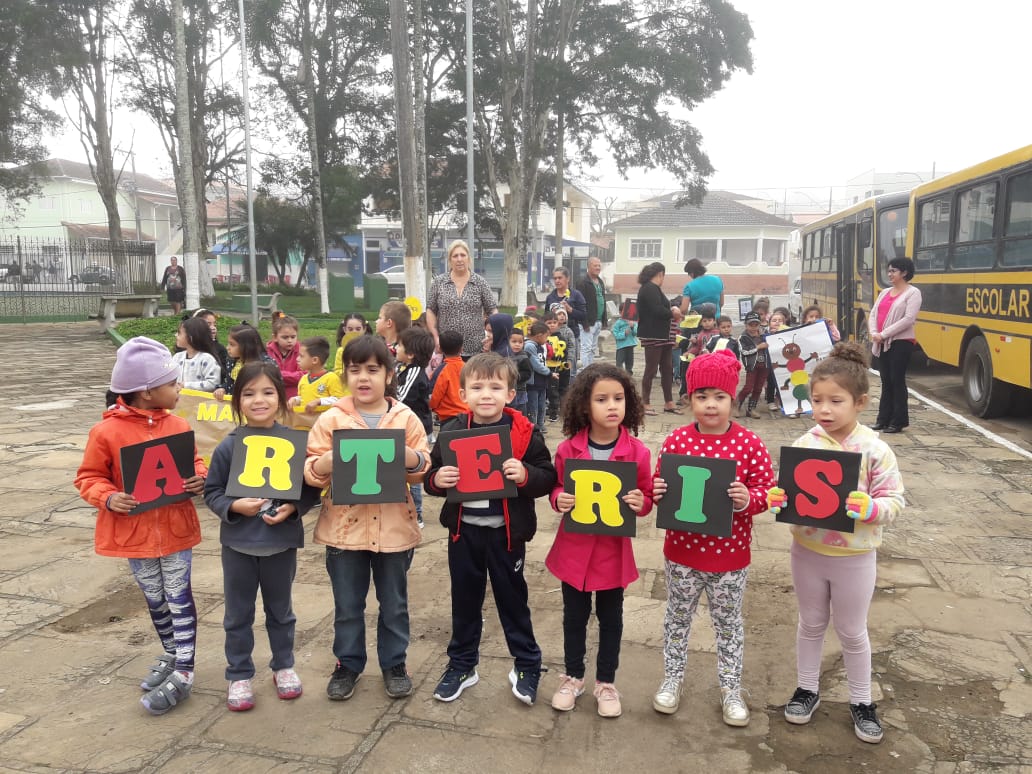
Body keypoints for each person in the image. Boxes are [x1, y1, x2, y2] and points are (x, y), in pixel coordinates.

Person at [766, 342, 905, 744]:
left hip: (855, 557)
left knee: (852, 630)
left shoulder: (876, 450)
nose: (824, 410)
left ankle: (862, 700)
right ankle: (806, 689)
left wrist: (871, 508)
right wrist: (779, 498)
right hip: (807, 552)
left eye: (836, 401)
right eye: (817, 400)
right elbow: (790, 492)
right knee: (810, 623)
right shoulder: (805, 444)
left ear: (860, 403)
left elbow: (894, 501)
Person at [74, 337, 207, 715]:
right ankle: (172, 652)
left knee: (179, 597)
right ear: (147, 392)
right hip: (133, 535)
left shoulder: (178, 425)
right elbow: (88, 477)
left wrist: (199, 478)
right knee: (156, 599)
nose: (179, 388)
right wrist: (108, 497)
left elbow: (195, 463)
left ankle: (185, 671)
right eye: (172, 383)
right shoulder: (105, 433)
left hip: (176, 530)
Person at [650, 350, 775, 725]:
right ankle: (672, 679)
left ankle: (731, 688)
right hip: (682, 554)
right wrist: (658, 491)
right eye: (701, 396)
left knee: (728, 624)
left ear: (732, 399)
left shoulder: (749, 444)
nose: (710, 404)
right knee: (677, 618)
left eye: (719, 396)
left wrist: (747, 499)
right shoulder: (676, 441)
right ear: (690, 400)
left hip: (729, 558)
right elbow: (660, 482)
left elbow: (767, 490)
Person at [424, 353, 557, 705]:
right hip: (463, 533)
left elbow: (547, 476)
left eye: (495, 387)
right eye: (477, 387)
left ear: (510, 394)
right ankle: (462, 664)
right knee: (464, 601)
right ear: (463, 394)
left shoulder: (525, 433)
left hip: (505, 535)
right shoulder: (452, 431)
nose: (486, 394)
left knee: (513, 601)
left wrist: (525, 475)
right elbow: (430, 477)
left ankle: (527, 663)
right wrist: (437, 479)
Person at [304, 335, 430, 702]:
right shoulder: (331, 419)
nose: (363, 377)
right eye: (354, 369)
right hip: (344, 532)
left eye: (373, 370)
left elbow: (423, 467)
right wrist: (326, 462)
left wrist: (408, 456)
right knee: (347, 605)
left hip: (395, 530)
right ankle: (347, 663)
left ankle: (395, 663)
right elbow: (310, 472)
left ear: (389, 375)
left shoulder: (405, 417)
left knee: (395, 604)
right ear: (344, 375)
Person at [203, 363, 322, 712]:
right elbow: (212, 492)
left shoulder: (294, 442)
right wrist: (233, 506)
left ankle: (283, 666)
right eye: (249, 393)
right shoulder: (228, 446)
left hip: (280, 544)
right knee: (237, 614)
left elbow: (309, 490)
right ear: (237, 401)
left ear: (281, 398)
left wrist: (293, 508)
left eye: (268, 392)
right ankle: (239, 673)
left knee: (281, 612)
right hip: (238, 546)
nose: (259, 400)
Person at [547, 364, 652, 717]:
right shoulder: (568, 449)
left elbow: (646, 496)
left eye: (618, 399)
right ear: (584, 405)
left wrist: (640, 502)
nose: (612, 406)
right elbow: (557, 486)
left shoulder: (638, 452)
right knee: (574, 618)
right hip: (574, 552)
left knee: (611, 619)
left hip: (612, 553)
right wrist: (559, 499)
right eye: (602, 399)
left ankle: (606, 682)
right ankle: (573, 677)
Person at [869, 257, 921, 433]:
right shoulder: (885, 292)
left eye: (893, 271)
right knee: (885, 380)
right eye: (889, 271)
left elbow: (908, 319)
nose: (890, 274)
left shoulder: (913, 293)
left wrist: (883, 334)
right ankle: (883, 419)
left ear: (904, 273)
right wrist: (874, 332)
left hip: (901, 343)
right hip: (882, 342)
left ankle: (898, 421)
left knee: (896, 380)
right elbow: (873, 314)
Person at [427, 240, 498, 358]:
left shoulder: (480, 283)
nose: (459, 259)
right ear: (450, 260)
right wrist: (436, 337)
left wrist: (492, 336)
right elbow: (430, 310)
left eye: (463, 255)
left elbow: (492, 310)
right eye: (455, 256)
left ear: (469, 258)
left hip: (476, 350)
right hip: (447, 349)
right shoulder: (439, 282)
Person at [395, 326, 436, 528]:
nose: (396, 348)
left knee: (413, 472)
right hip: (409, 428)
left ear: (410, 354)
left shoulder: (414, 373)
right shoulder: (404, 369)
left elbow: (400, 399)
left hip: (415, 430)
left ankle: (417, 513)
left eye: (399, 345)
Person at [636, 262, 681, 416]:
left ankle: (669, 402)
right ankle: (645, 402)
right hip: (653, 334)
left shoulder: (654, 289)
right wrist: (672, 313)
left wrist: (672, 308)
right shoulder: (649, 288)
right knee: (651, 369)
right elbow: (657, 310)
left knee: (667, 368)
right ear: (660, 274)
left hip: (664, 335)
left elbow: (661, 306)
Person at [291, 336, 345, 428]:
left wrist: (319, 401)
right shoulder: (303, 379)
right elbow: (303, 397)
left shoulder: (331, 378)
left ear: (315, 360)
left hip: (323, 427)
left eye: (301, 356)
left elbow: (339, 400)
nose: (297, 359)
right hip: (303, 427)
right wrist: (296, 399)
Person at [545, 266, 587, 376]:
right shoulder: (550, 297)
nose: (557, 281)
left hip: (571, 335)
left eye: (560, 278)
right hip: (553, 338)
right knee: (554, 367)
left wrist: (570, 309)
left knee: (570, 369)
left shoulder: (576, 295)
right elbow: (546, 317)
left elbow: (583, 315)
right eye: (555, 278)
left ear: (567, 279)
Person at [215, 324, 276, 399]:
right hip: (234, 403)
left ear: (246, 346)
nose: (227, 347)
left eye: (232, 345)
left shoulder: (265, 365)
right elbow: (229, 383)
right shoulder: (232, 361)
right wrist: (222, 388)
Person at [171, 317, 222, 392]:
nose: (176, 335)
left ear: (190, 337)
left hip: (199, 399)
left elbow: (213, 383)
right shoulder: (177, 357)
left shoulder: (207, 359)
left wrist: (185, 385)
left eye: (179, 333)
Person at [429, 330, 469, 423]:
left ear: (440, 349)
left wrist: (432, 407)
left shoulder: (440, 371)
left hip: (448, 418)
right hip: (468, 415)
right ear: (461, 349)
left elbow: (435, 397)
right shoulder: (469, 368)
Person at [576, 256, 608, 368]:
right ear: (589, 267)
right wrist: (584, 323)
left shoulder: (600, 282)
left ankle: (590, 370)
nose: (598, 268)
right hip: (587, 323)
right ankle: (584, 371)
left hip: (598, 321)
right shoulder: (582, 282)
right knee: (586, 348)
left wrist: (604, 320)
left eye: (599, 265)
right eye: (595, 265)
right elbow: (579, 304)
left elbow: (603, 300)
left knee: (593, 348)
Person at [737, 312, 770, 419]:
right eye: (750, 325)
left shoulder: (765, 335)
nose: (753, 327)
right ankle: (736, 406)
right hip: (752, 367)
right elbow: (744, 351)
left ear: (759, 325)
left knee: (758, 388)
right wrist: (758, 347)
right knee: (748, 387)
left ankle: (751, 409)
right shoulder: (743, 337)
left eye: (756, 325)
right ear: (746, 325)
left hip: (764, 365)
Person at [544, 309, 574, 423]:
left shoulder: (561, 337)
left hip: (557, 367)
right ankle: (549, 409)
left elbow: (564, 352)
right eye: (549, 323)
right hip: (545, 367)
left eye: (554, 322)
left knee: (556, 391)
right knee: (547, 391)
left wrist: (560, 359)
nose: (552, 325)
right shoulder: (543, 337)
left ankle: (555, 412)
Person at [524, 321, 553, 432]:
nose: (547, 339)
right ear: (539, 336)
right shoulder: (529, 346)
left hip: (541, 381)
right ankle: (533, 428)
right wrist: (549, 372)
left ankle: (540, 424)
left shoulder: (539, 345)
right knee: (533, 407)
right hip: (533, 383)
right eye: (546, 336)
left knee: (542, 405)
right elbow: (535, 364)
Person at [266, 314, 302, 400]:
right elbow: (266, 374)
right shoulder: (267, 352)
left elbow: (304, 375)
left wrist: (279, 375)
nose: (290, 341)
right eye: (285, 337)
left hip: (295, 397)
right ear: (275, 337)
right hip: (273, 397)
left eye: (293, 337)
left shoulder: (302, 351)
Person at [192, 309, 229, 382]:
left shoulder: (220, 349)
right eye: (208, 324)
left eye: (214, 325)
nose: (213, 328)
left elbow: (224, 373)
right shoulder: (189, 348)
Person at [334, 313, 372, 378]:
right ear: (345, 330)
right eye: (350, 329)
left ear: (364, 329)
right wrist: (351, 372)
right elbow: (337, 371)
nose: (354, 332)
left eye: (358, 329)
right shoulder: (341, 351)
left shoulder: (371, 348)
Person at [508, 329, 532, 416]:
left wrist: (515, 377)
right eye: (514, 341)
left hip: (520, 391)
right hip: (507, 390)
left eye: (520, 342)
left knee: (520, 413)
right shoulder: (505, 355)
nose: (517, 344)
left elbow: (527, 373)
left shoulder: (524, 358)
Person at [611, 300, 638, 374]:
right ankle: (619, 375)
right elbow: (615, 334)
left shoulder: (633, 321)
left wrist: (632, 327)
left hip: (630, 345)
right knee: (619, 362)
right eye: (624, 312)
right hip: (621, 346)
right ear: (620, 312)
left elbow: (636, 333)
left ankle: (629, 375)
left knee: (630, 362)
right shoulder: (618, 323)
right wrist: (624, 334)